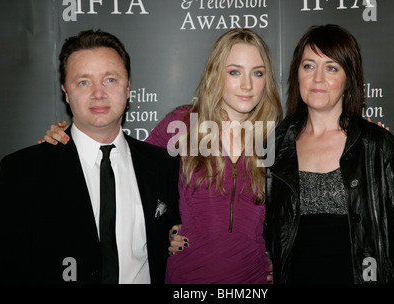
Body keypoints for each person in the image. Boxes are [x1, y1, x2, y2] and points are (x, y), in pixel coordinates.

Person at [39, 28, 282, 284]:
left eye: (258, 73)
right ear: (216, 74)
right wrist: (67, 143)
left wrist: (281, 258)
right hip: (187, 280)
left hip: (253, 280)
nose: (247, 84)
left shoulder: (273, 137)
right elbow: (129, 173)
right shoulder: (183, 124)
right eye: (234, 72)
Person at [0, 29, 180, 284]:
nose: (98, 93)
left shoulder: (163, 165)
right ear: (66, 92)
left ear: (128, 88)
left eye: (110, 80)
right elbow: (9, 267)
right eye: (84, 82)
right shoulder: (23, 171)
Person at [265, 24, 394, 284]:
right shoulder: (275, 145)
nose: (318, 78)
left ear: (348, 79)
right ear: (297, 74)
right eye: (309, 66)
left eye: (331, 67)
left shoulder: (378, 146)